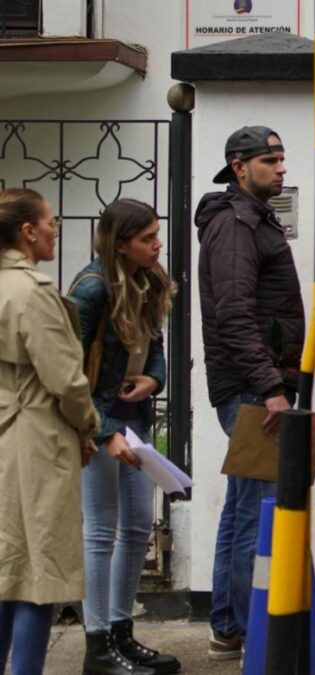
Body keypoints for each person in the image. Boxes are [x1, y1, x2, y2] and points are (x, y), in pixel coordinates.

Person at [196, 126, 305, 659]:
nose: (282, 168)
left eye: (282, 158)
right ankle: (244, 627)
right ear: (239, 167)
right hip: (251, 391)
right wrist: (270, 388)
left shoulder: (253, 218)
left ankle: (230, 626)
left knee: (246, 508)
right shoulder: (236, 224)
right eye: (269, 160)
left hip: (258, 386)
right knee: (256, 510)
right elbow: (234, 314)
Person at [67, 200, 179, 674]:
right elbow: (68, 372)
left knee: (135, 527)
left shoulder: (148, 280)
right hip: (97, 424)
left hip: (135, 419)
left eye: (156, 235)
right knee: (100, 530)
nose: (157, 245)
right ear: (120, 244)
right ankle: (97, 646)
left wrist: (155, 379)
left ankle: (120, 632)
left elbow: (154, 347)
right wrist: (105, 429)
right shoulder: (91, 289)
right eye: (147, 238)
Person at [0, 188, 99, 675]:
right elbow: (66, 379)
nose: (56, 229)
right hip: (38, 436)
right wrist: (88, 424)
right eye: (51, 221)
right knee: (42, 574)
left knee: (7, 570)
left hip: (5, 434)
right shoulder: (31, 293)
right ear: (28, 231)